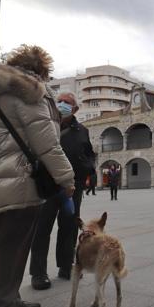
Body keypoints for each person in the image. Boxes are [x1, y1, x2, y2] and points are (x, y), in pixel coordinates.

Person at [0, 45, 75, 307]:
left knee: (8, 244)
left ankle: (8, 300)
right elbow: (47, 143)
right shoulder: (29, 92)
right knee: (10, 248)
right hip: (15, 179)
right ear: (40, 71)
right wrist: (67, 178)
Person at [29, 92, 95, 289]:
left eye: (67, 102)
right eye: (59, 101)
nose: (62, 104)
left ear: (75, 109)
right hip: (47, 185)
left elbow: (90, 154)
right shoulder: (46, 126)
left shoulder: (82, 130)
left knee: (69, 227)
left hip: (73, 186)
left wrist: (88, 170)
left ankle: (66, 266)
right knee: (42, 228)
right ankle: (38, 273)